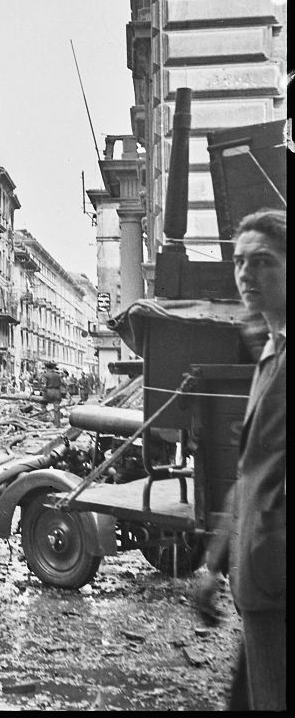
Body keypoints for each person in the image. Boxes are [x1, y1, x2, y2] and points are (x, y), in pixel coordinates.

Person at [194, 208, 286, 711]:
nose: (246, 274)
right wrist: (214, 564)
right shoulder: (272, 352)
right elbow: (249, 473)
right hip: (259, 578)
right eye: (239, 262)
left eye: (263, 262)